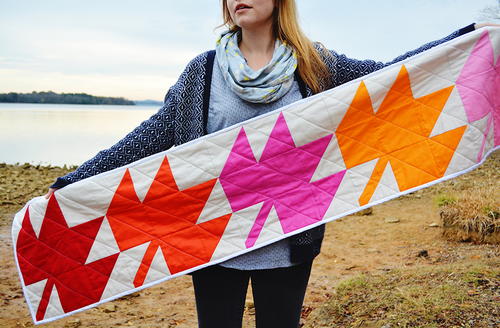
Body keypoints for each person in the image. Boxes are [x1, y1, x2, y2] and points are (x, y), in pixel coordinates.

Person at [45, 1, 497, 327]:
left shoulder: (316, 66)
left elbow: (392, 81)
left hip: (289, 238)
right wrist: (79, 179)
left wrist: (465, 39)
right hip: (211, 240)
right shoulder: (202, 72)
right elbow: (153, 136)